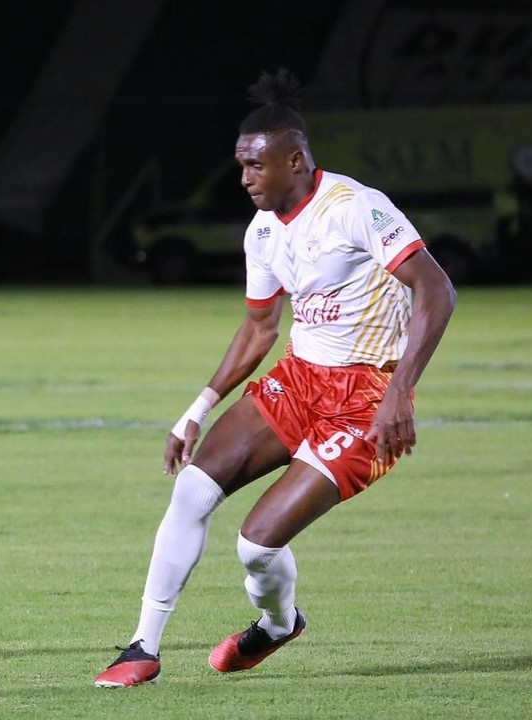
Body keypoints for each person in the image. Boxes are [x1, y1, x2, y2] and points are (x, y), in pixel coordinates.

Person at [95, 69, 456, 688]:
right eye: (240, 166)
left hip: (364, 400)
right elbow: (260, 329)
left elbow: (436, 288)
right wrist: (198, 407)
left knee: (256, 547)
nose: (245, 179)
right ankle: (141, 649)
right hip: (299, 380)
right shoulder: (262, 231)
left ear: (295, 160)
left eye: (255, 166)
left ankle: (279, 623)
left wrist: (401, 390)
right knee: (191, 491)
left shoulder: (356, 208)